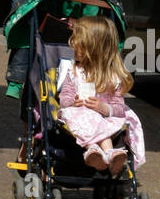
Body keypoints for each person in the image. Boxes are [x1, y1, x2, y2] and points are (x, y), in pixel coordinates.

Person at [55, 15, 145, 173]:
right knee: (89, 119)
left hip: (104, 117)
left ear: (92, 48)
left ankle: (109, 155)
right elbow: (65, 96)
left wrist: (105, 108)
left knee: (100, 122)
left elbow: (118, 106)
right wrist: (71, 102)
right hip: (80, 114)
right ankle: (97, 152)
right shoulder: (74, 71)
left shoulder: (112, 76)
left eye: (78, 44)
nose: (73, 46)